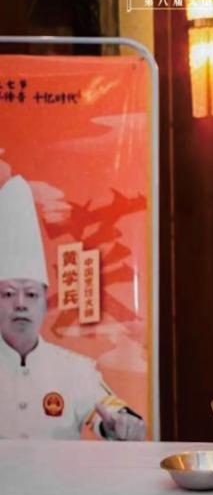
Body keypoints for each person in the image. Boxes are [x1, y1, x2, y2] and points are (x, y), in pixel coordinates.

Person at [0, 175, 144, 441]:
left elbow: (109, 410)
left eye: (31, 294)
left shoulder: (74, 369)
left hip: (56, 472)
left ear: (45, 303)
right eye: (8, 294)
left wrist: (122, 424)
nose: (20, 303)